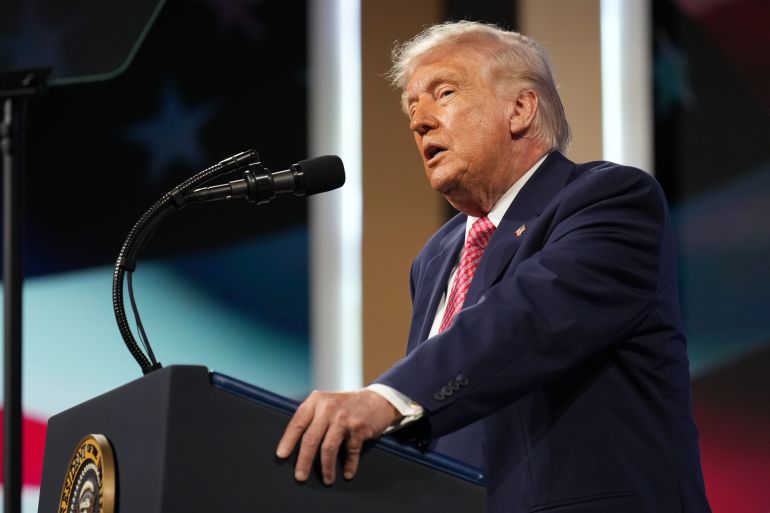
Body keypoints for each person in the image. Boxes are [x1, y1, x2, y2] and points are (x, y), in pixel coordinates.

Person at [276, 21, 711, 513]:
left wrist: (387, 398)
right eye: (412, 108)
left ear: (520, 109)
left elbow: (530, 315)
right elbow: (446, 419)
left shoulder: (609, 201)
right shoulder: (436, 258)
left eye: (443, 92)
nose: (419, 121)